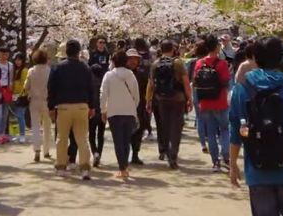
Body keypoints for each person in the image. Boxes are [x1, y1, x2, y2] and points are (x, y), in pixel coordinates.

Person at [229, 37, 283, 216]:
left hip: (258, 172)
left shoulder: (241, 89)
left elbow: (237, 129)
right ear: (281, 59)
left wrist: (233, 163)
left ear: (255, 59)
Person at [47, 39, 98, 180]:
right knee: (82, 138)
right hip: (82, 106)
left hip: (63, 107)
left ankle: (61, 167)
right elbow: (91, 88)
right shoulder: (85, 68)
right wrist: (92, 106)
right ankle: (85, 168)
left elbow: (51, 89)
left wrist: (51, 107)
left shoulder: (58, 68)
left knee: (62, 138)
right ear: (78, 52)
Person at [146, 39, 192, 169]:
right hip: (178, 98)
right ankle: (173, 156)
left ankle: (165, 151)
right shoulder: (178, 63)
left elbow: (151, 84)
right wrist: (189, 99)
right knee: (176, 128)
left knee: (165, 126)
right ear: (173, 49)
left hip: (161, 98)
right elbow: (186, 82)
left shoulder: (155, 64)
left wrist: (148, 100)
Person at [193, 33, 232, 172]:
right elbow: (226, 81)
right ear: (216, 47)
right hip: (220, 101)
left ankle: (215, 162)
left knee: (210, 134)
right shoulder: (221, 64)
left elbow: (196, 81)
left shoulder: (199, 63)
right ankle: (226, 156)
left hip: (205, 102)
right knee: (225, 129)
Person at [101, 48, 141, 179]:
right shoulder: (131, 75)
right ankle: (125, 166)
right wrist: (132, 108)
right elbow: (136, 95)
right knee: (126, 140)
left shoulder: (108, 75)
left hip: (114, 112)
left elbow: (103, 94)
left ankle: (122, 168)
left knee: (118, 141)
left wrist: (103, 110)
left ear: (113, 61)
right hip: (129, 112)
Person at [25, 49, 53, 163]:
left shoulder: (31, 71)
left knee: (35, 126)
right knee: (47, 126)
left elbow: (26, 87)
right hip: (47, 101)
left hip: (34, 101)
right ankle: (46, 150)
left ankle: (37, 150)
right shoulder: (50, 71)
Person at [187, 40, 209, 154]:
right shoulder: (211, 61)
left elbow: (189, 78)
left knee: (199, 117)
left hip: (196, 90)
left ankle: (203, 143)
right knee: (210, 116)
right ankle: (210, 138)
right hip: (211, 91)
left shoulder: (192, 62)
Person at [0, 45, 14, 137]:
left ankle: (2, 133)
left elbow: (11, 78)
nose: (4, 56)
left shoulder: (10, 65)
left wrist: (11, 88)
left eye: (6, 54)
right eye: (3, 54)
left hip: (6, 89)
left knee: (5, 113)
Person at [11, 51, 29, 143]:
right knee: (17, 116)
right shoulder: (15, 70)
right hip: (15, 96)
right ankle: (19, 134)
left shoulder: (24, 70)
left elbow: (24, 85)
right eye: (16, 60)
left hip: (22, 97)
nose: (17, 62)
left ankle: (22, 135)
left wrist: (19, 95)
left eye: (19, 60)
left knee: (20, 116)